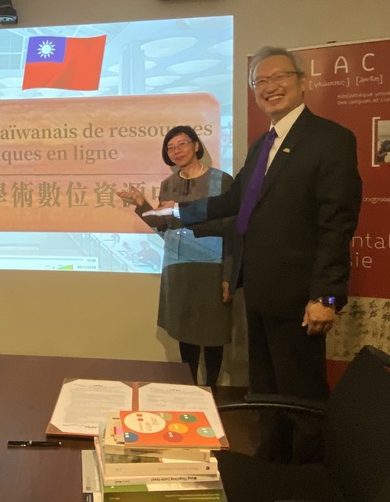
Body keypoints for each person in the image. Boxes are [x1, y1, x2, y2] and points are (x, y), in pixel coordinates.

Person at [161, 47, 362, 462]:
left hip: (299, 295)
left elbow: (337, 224)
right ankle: (272, 464)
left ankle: (311, 476)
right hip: (260, 286)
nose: (270, 88)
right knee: (266, 388)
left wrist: (326, 297)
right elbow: (235, 199)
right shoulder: (263, 144)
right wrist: (176, 212)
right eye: (260, 82)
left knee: (301, 391)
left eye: (278, 78)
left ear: (303, 81)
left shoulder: (330, 139)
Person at [117, 126, 240, 387]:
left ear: (196, 146)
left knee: (213, 334)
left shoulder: (221, 180)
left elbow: (232, 230)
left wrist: (230, 275)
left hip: (212, 267)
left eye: (182, 144)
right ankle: (189, 391)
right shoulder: (168, 185)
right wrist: (141, 204)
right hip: (178, 267)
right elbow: (166, 230)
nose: (176, 151)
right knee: (186, 333)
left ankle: (212, 392)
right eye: (171, 148)